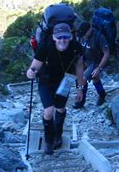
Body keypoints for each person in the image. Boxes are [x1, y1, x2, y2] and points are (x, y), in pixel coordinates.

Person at [26, 23, 85, 155]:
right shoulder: (45, 46)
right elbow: (35, 65)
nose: (62, 40)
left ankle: (58, 135)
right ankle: (49, 141)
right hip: (46, 81)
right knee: (49, 110)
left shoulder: (76, 48)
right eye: (59, 37)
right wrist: (31, 71)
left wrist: (80, 88)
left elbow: (80, 68)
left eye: (65, 37)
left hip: (66, 80)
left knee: (60, 108)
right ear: (53, 37)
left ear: (70, 37)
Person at [74, 21, 110, 109]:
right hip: (85, 60)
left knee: (83, 79)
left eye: (85, 33)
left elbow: (107, 53)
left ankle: (81, 100)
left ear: (90, 29)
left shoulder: (99, 37)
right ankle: (102, 94)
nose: (83, 35)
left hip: (96, 61)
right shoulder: (81, 36)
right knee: (95, 78)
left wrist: (99, 68)